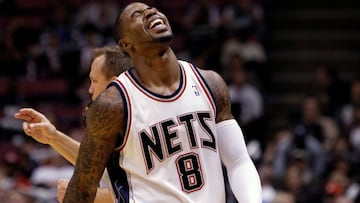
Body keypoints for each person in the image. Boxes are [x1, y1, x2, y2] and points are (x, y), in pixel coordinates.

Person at [63, 2, 262, 203]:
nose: (150, 12)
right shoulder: (113, 104)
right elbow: (82, 187)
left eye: (151, 9)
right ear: (126, 44)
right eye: (137, 15)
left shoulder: (210, 83)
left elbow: (238, 160)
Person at [14, 45, 132, 203]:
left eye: (94, 81)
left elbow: (146, 189)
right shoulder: (121, 119)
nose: (90, 89)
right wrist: (53, 137)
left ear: (114, 84)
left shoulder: (140, 124)